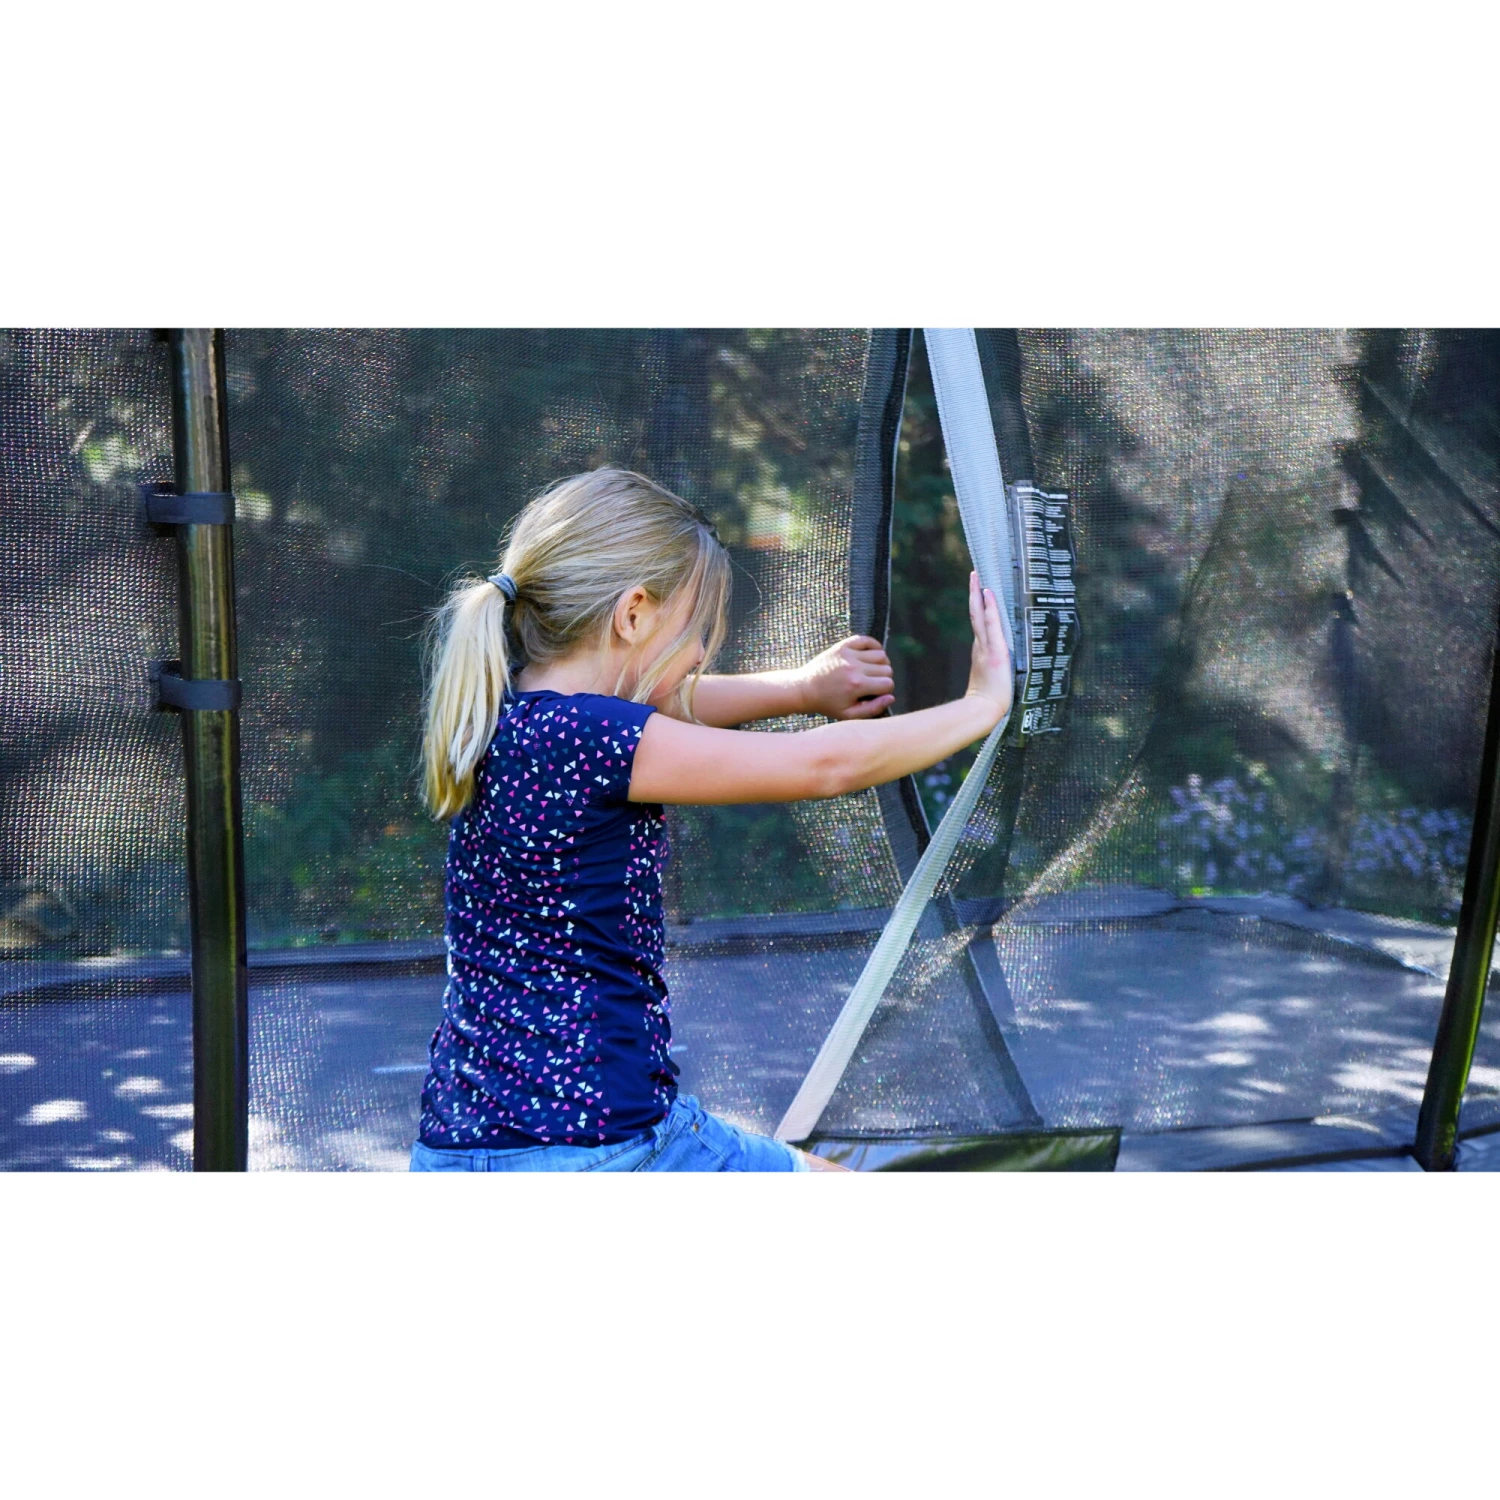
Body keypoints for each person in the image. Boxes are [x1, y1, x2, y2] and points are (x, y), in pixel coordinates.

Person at [409, 467, 1012, 1172]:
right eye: (695, 630)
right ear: (634, 614)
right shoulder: (595, 738)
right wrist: (979, 706)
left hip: (459, 1150)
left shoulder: (506, 715)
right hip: (601, 1150)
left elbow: (666, 703)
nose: (700, 654)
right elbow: (822, 765)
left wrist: (804, 688)